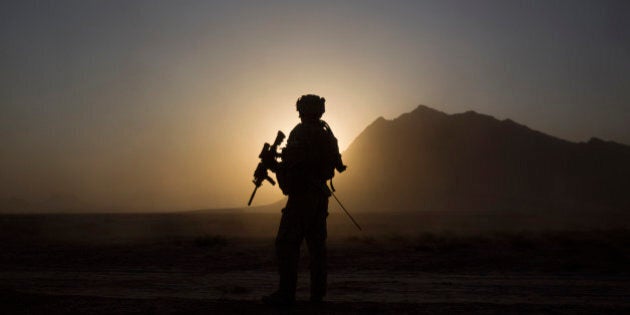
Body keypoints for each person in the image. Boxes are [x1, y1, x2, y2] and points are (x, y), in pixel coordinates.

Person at [262, 94, 346, 307]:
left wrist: (274, 166)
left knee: (286, 244)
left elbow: (294, 167)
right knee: (317, 247)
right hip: (320, 197)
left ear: (303, 109)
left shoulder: (301, 132)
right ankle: (317, 295)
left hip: (303, 197)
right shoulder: (326, 133)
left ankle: (286, 294)